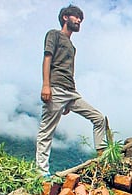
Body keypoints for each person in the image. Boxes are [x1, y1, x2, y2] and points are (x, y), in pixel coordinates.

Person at [36, 5, 106, 176]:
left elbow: (70, 71)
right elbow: (47, 58)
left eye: (81, 19)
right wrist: (46, 85)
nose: (79, 20)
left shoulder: (72, 47)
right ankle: (41, 173)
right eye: (76, 17)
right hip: (56, 87)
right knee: (47, 131)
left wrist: (69, 101)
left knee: (99, 118)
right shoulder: (54, 34)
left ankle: (103, 157)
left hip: (70, 91)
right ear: (66, 17)